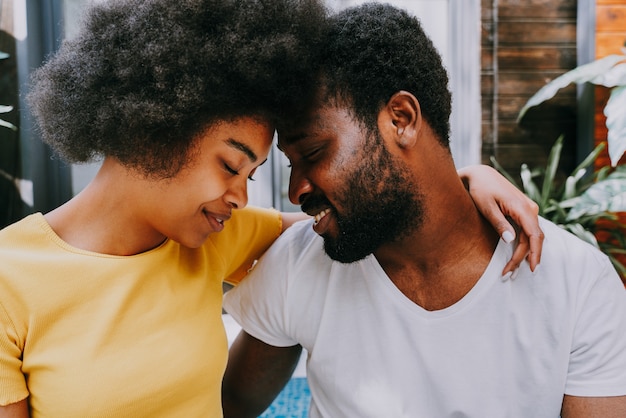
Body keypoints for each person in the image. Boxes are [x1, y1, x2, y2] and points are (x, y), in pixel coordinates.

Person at [0, 0, 541, 416]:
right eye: (231, 166)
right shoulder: (11, 278)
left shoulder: (211, 238)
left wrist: (467, 179)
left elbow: (347, 212)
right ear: (151, 130)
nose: (241, 197)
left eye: (253, 175)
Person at [221, 3, 626, 418]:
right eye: (291, 162)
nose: (295, 190)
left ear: (401, 119)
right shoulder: (298, 263)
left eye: (313, 152)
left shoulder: (577, 284)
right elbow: (229, 403)